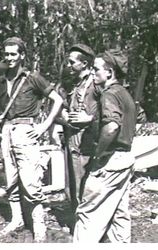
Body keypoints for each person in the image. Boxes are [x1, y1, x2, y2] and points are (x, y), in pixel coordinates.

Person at [0, 37, 63, 242]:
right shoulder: (0, 80)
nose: (9, 58)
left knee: (31, 181)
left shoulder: (33, 78)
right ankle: (17, 219)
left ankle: (39, 227)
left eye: (14, 54)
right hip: (7, 131)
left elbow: (57, 100)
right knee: (11, 178)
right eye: (6, 54)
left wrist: (43, 126)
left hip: (26, 130)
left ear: (22, 55)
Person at [73, 50, 136, 243]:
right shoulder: (123, 93)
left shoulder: (108, 94)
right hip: (125, 159)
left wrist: (98, 155)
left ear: (109, 72)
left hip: (110, 159)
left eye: (96, 69)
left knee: (88, 213)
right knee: (119, 214)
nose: (92, 72)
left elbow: (111, 127)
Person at [59, 44, 98, 211]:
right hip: (71, 137)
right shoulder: (73, 84)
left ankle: (85, 219)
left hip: (87, 140)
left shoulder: (95, 84)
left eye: (72, 62)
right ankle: (76, 217)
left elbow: (111, 112)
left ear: (84, 64)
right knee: (72, 182)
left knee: (84, 182)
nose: (68, 66)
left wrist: (90, 118)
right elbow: (61, 106)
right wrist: (64, 115)